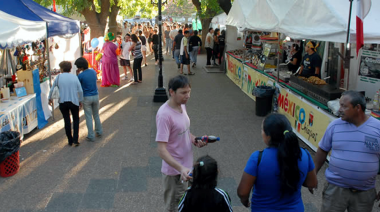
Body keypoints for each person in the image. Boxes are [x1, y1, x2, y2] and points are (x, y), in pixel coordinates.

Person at [314, 90, 380, 212]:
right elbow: (322, 150)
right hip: (335, 190)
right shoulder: (334, 126)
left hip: (364, 193)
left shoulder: (377, 128)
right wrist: (313, 174)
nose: (339, 110)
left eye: (344, 106)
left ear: (358, 108)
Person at [237, 113, 317, 212]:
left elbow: (243, 192)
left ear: (268, 136)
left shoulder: (257, 158)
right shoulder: (305, 155)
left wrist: (244, 201)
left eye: (262, 130)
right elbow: (312, 183)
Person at [156, 75, 207, 212]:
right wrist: (180, 168)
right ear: (172, 92)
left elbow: (183, 131)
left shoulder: (182, 106)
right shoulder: (164, 115)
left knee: (188, 205)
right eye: (183, 92)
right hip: (175, 173)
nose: (188, 96)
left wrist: (195, 139)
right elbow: (161, 150)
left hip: (187, 169)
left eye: (189, 91)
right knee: (175, 208)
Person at [48, 61, 83, 147]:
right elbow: (80, 90)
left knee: (67, 120)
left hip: (63, 102)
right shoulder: (74, 77)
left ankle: (69, 140)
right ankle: (75, 139)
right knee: (76, 120)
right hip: (74, 101)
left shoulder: (58, 77)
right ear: (70, 68)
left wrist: (49, 98)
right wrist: (80, 100)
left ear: (62, 69)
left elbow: (52, 89)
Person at [75, 57, 103, 142]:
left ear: (80, 67)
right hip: (95, 95)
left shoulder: (81, 75)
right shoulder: (93, 71)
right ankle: (99, 131)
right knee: (96, 115)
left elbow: (78, 85)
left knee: (88, 117)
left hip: (86, 96)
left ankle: (91, 135)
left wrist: (77, 74)